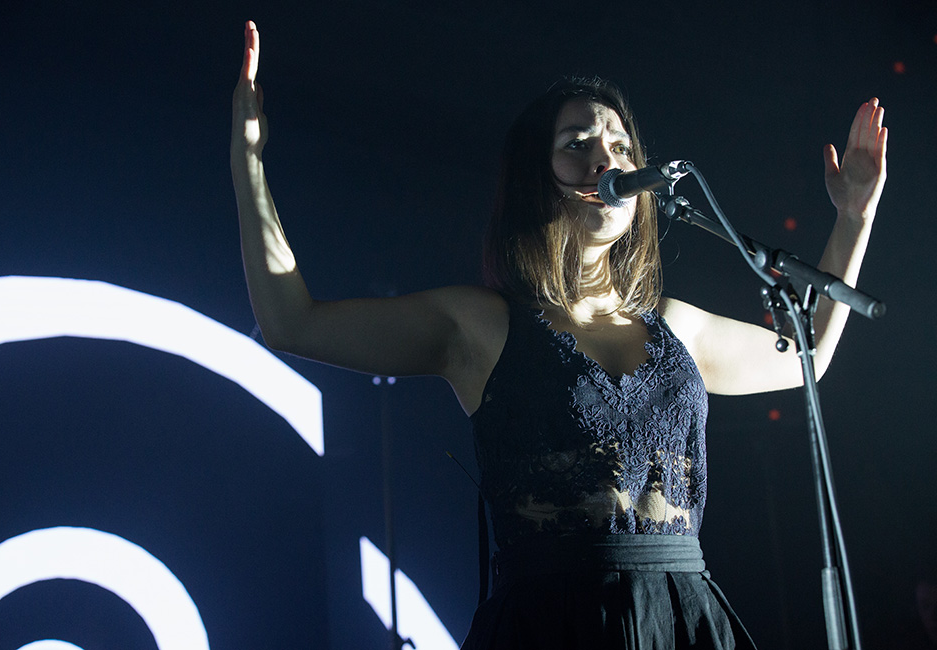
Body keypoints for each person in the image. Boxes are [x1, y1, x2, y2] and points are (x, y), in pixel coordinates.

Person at [231, 20, 887, 649]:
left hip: (682, 618)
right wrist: (248, 162)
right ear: (532, 179)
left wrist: (853, 217)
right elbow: (293, 322)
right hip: (551, 624)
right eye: (577, 143)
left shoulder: (676, 326)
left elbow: (809, 358)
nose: (606, 156)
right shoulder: (482, 325)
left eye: (621, 145)